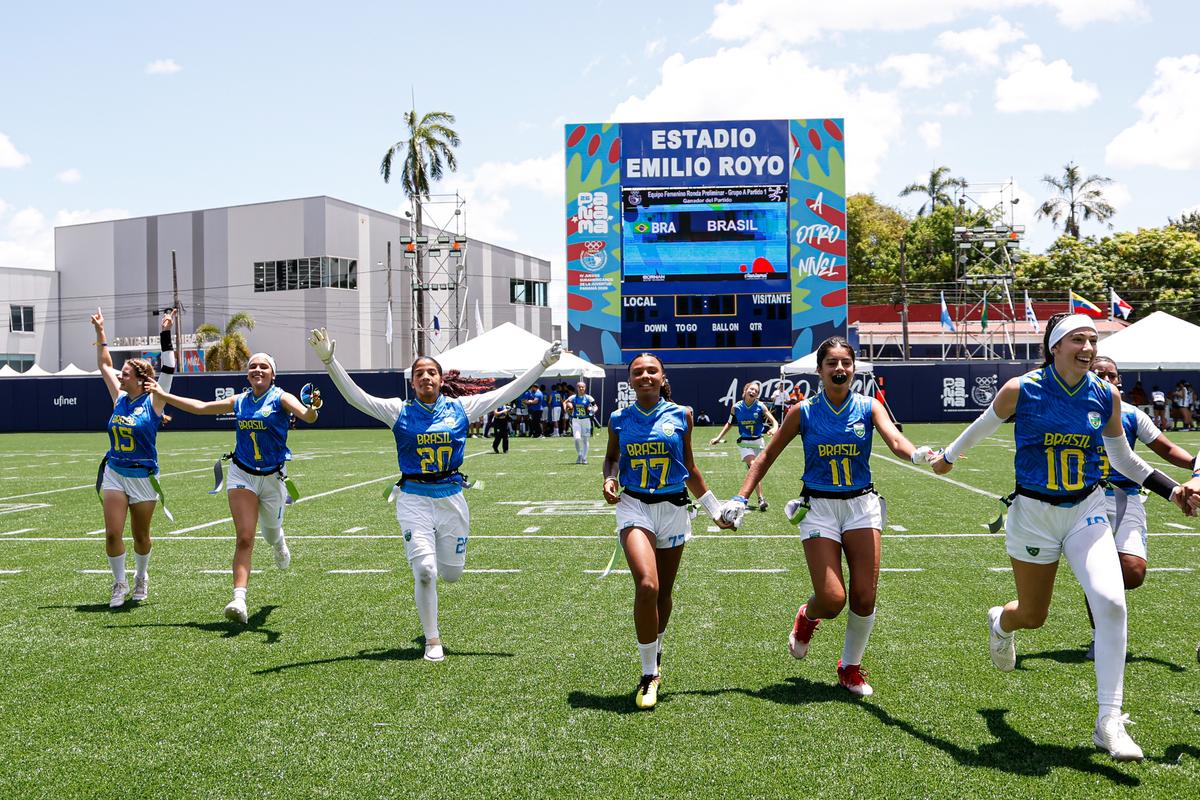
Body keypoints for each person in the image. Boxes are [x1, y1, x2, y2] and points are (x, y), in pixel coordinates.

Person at [928, 313, 1193, 761]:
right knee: (1033, 615)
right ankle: (1001, 623)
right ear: (1054, 346)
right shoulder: (1022, 388)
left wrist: (1173, 492)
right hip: (1032, 514)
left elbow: (1124, 461)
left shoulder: (1105, 396)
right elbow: (980, 427)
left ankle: (1108, 720)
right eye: (1078, 340)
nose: (1089, 348)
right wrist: (949, 457)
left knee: (1111, 603)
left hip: (1086, 510)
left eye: (1093, 340)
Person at [309, 327, 562, 662]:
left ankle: (437, 594)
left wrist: (542, 363)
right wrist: (329, 360)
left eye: (431, 372)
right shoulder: (398, 411)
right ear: (412, 383)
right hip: (413, 499)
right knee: (425, 571)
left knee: (451, 574)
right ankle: (432, 639)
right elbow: (355, 396)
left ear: (441, 379)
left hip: (452, 500)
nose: (425, 377)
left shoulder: (460, 409)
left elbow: (506, 393)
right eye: (419, 374)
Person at [720, 337, 931, 698]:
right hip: (818, 507)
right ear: (819, 370)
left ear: (854, 369)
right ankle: (807, 617)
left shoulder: (868, 406)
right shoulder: (802, 412)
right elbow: (767, 455)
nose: (839, 369)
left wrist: (917, 455)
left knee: (864, 597)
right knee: (833, 599)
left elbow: (897, 441)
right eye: (831, 363)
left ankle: (849, 668)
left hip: (861, 506)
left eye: (845, 363)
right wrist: (740, 498)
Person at [151, 353, 320, 623]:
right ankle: (239, 599)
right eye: (253, 366)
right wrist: (164, 395)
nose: (257, 369)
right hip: (242, 473)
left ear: (273, 374)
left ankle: (279, 543)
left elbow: (307, 416)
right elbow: (201, 407)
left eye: (264, 366)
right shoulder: (240, 401)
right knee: (244, 537)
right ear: (247, 374)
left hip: (273, 478)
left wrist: (313, 407)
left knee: (271, 532)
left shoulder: (281, 397)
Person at [602, 353, 730, 709]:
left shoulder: (682, 415)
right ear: (630, 380)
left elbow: (689, 467)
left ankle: (655, 647)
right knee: (647, 585)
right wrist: (610, 478)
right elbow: (612, 458)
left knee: (663, 593)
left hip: (673, 508)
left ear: (662, 377)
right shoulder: (618, 419)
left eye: (651, 370)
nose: (645, 375)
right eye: (637, 371)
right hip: (634, 506)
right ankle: (648, 674)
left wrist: (715, 511)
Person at [1085, 357, 1195, 658]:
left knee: (1133, 572)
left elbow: (1167, 449)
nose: (1107, 380)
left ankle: (1095, 588)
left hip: (1126, 495)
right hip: (1084, 497)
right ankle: (1100, 636)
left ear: (1119, 381)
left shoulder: (1132, 414)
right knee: (1098, 569)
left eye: (1112, 375)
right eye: (1100, 374)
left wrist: (1196, 465)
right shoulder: (1075, 409)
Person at [90, 309, 176, 608]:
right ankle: (119, 582)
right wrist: (101, 333)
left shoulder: (154, 399)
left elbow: (169, 368)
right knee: (113, 533)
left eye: (125, 374)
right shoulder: (119, 398)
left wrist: (165, 333)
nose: (119, 376)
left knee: (141, 536)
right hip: (115, 472)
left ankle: (141, 576)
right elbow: (104, 364)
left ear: (140, 379)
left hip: (143, 477)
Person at [709, 380, 779, 511]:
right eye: (751, 389)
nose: (753, 392)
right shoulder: (736, 407)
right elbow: (729, 424)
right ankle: (752, 498)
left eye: (756, 391)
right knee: (753, 466)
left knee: (755, 472)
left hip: (758, 442)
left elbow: (774, 422)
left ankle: (759, 499)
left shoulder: (760, 406)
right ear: (745, 391)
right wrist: (718, 438)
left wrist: (774, 428)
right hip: (744, 443)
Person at [565, 381, 598, 464]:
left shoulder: (589, 398)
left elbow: (595, 406)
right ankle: (579, 454)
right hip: (576, 419)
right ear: (577, 388)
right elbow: (566, 402)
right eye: (579, 387)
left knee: (585, 439)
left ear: (585, 388)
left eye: (582, 387)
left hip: (586, 420)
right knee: (577, 438)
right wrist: (568, 408)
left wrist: (593, 410)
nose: (581, 388)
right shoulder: (573, 397)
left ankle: (584, 458)